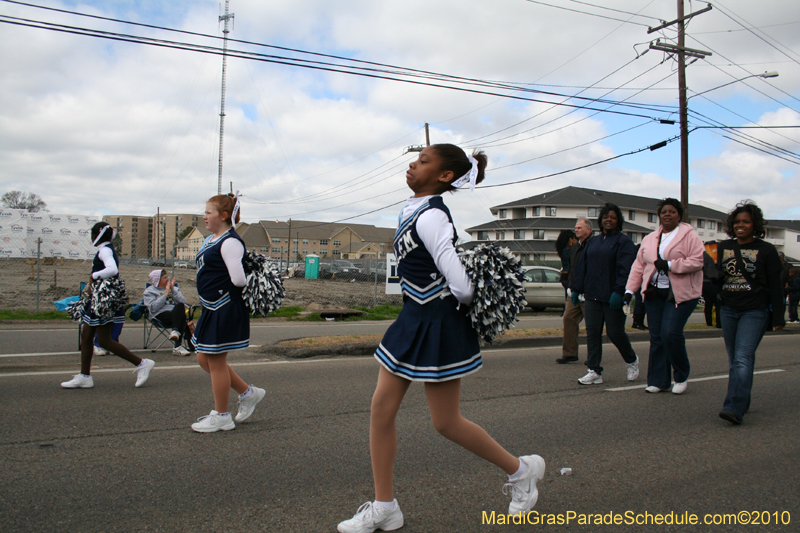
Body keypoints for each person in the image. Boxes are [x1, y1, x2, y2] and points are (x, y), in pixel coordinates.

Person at [338, 145, 544, 533]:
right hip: (411, 318)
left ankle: (521, 470)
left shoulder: (432, 217)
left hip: (436, 323)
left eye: (424, 160)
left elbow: (463, 288)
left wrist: (441, 299)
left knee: (446, 422)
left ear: (445, 176)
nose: (413, 163)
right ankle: (385, 506)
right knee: (381, 409)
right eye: (415, 159)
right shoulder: (411, 209)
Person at [190, 193, 266, 433]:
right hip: (211, 306)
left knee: (215, 360)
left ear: (223, 216)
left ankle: (221, 416)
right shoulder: (213, 239)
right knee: (204, 358)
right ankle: (248, 392)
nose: (204, 217)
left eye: (208, 212)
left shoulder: (230, 241)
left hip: (224, 306)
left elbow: (239, 279)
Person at [61, 222, 155, 389]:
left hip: (103, 300)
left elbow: (112, 270)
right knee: (87, 336)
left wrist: (94, 275)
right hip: (98, 299)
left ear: (97, 233)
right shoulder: (105, 248)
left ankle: (142, 363)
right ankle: (84, 376)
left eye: (92, 233)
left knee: (104, 340)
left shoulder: (105, 250)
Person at [625, 198, 704, 394]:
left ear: (679, 215)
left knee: (671, 334)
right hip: (654, 293)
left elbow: (698, 261)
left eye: (672, 212)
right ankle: (659, 381)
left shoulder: (689, 236)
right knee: (657, 337)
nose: (667, 215)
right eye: (664, 212)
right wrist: (629, 291)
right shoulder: (650, 238)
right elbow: (639, 266)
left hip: (680, 294)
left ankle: (681, 375)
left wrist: (670, 265)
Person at [717, 201, 785, 425]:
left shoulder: (766, 250)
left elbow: (776, 285)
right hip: (728, 309)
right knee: (735, 360)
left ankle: (734, 407)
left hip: (754, 311)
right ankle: (741, 401)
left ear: (754, 224)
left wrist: (778, 316)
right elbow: (716, 278)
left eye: (746, 221)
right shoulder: (723, 246)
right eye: (737, 222)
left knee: (742, 359)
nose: (741, 225)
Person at [571, 203, 639, 385]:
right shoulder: (593, 242)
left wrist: (619, 292)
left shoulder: (623, 242)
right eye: (605, 217)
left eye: (613, 217)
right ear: (600, 220)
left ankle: (632, 360)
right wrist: (577, 289)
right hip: (592, 295)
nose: (608, 220)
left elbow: (627, 270)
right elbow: (582, 267)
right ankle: (594, 370)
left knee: (615, 333)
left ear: (618, 221)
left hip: (612, 297)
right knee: (593, 333)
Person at [556, 218, 593, 364]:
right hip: (574, 292)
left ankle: (593, 356)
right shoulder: (574, 248)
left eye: (579, 227)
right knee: (568, 319)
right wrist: (571, 287)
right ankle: (570, 353)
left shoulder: (593, 245)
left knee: (591, 325)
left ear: (588, 230)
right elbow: (571, 269)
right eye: (576, 228)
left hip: (589, 292)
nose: (576, 230)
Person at [143, 269, 193, 356]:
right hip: (159, 316)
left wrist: (173, 290)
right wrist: (166, 294)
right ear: (157, 280)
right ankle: (177, 346)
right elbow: (153, 308)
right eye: (164, 277)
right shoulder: (149, 291)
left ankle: (175, 332)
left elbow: (183, 301)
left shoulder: (174, 289)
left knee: (180, 306)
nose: (167, 279)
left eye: (167, 277)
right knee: (181, 317)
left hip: (175, 315)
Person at [702, 248, 721, 328]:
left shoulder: (704, 254)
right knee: (718, 304)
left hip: (704, 282)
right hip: (714, 282)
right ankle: (719, 323)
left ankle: (709, 323)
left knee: (708, 304)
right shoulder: (717, 254)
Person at [555, 229, 577, 300]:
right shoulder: (569, 251)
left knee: (567, 296)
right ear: (570, 240)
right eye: (574, 239)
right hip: (569, 276)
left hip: (564, 276)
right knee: (570, 298)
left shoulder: (562, 250)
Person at [630, 244, 648, 331]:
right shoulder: (638, 259)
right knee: (640, 301)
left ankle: (639, 322)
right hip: (640, 281)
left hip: (644, 281)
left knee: (642, 302)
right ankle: (637, 322)